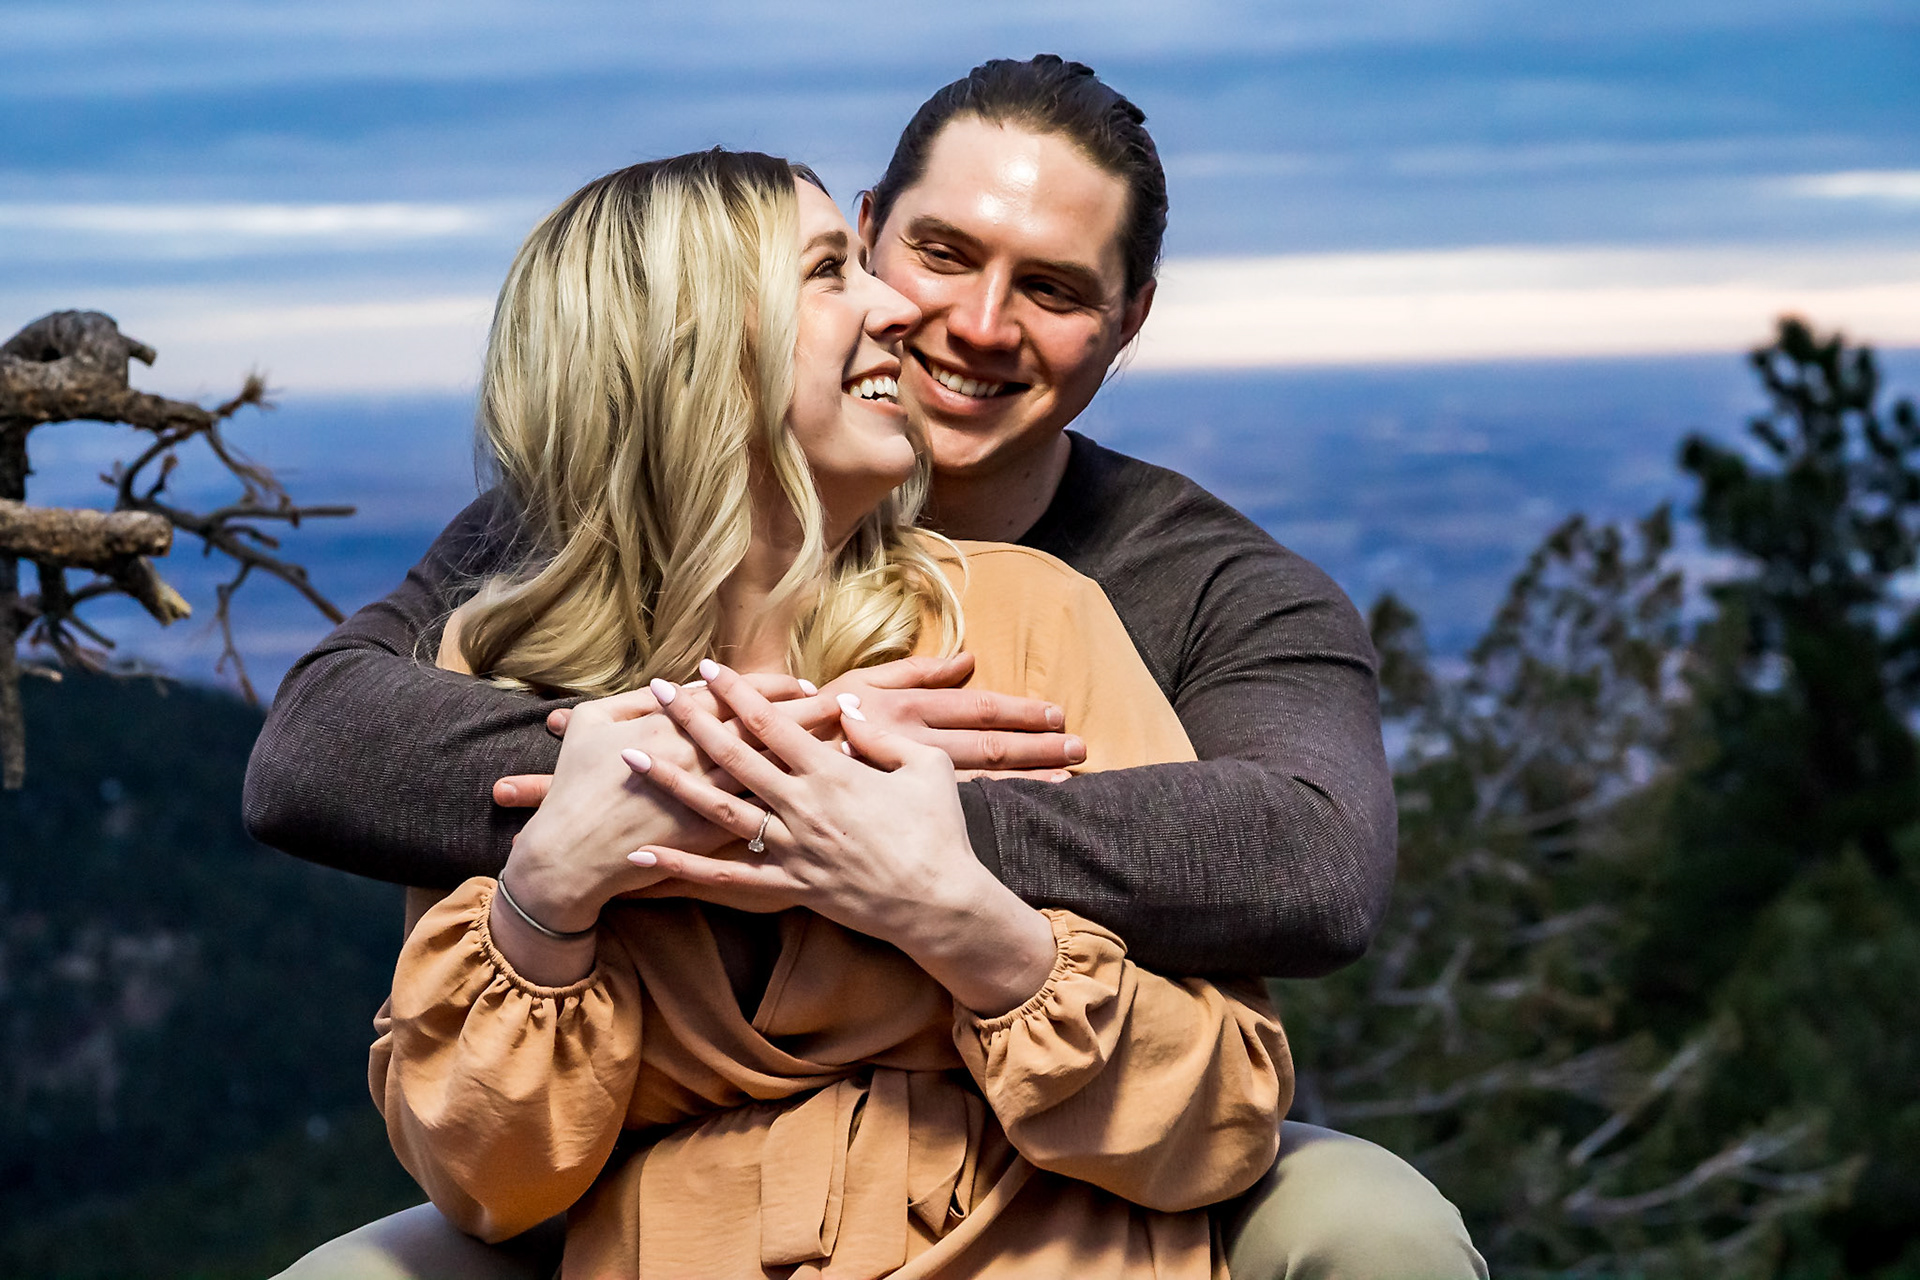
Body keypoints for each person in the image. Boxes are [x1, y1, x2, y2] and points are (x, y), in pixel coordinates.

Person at [258, 57, 1486, 1280]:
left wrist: (893, 835)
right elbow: (316, 744)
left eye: (1052, 287)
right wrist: (626, 818)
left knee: (1376, 1223)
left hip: (1043, 1193)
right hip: (669, 1221)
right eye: (929, 257)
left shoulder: (1143, 593)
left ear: (1130, 319)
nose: (966, 324)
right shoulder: (542, 592)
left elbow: (1312, 861)